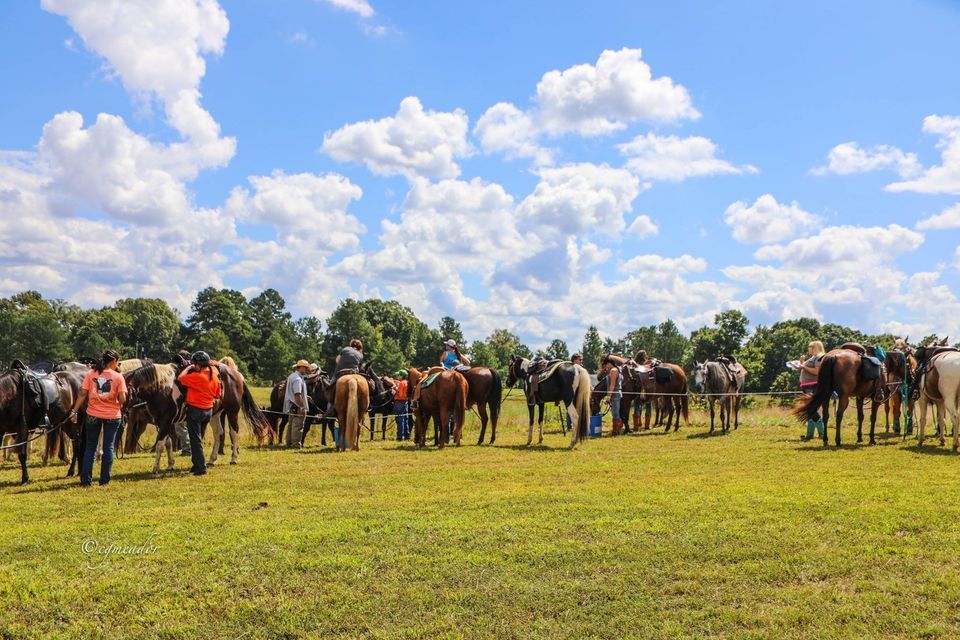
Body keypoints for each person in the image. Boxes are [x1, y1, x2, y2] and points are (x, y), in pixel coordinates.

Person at [71, 349, 127, 486]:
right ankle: (104, 480)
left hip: (93, 415)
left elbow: (83, 394)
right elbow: (122, 400)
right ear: (113, 361)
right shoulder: (118, 377)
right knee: (108, 447)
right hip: (112, 416)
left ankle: (85, 480)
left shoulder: (91, 374)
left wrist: (74, 411)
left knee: (90, 447)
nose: (118, 365)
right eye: (117, 362)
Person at [178, 351, 222, 476]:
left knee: (195, 440)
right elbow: (218, 394)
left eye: (194, 364)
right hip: (208, 411)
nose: (193, 366)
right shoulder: (214, 376)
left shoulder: (197, 376)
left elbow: (180, 379)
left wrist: (187, 368)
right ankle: (196, 464)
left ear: (198, 365)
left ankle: (201, 468)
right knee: (198, 439)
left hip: (195, 410)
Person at [799, 340, 826, 441]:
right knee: (810, 409)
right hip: (807, 385)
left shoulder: (819, 357)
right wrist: (801, 363)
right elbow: (805, 368)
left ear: (815, 347)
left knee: (811, 409)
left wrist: (802, 366)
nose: (808, 348)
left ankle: (822, 433)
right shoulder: (814, 357)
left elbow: (817, 372)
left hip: (812, 385)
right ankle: (810, 435)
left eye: (810, 346)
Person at [284, 360, 310, 448]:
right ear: (301, 367)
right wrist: (302, 407)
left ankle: (288, 443)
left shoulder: (292, 376)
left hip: (292, 405)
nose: (306, 370)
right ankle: (295, 445)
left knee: (291, 425)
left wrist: (306, 397)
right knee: (297, 426)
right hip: (297, 406)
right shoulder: (298, 379)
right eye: (305, 368)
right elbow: (297, 394)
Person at [602, 360, 623, 435]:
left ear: (609, 363)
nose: (606, 367)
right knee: (615, 412)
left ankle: (616, 431)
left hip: (615, 394)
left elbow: (612, 385)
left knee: (615, 413)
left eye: (606, 365)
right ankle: (617, 430)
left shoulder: (613, 371)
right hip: (616, 393)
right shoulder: (617, 370)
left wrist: (608, 396)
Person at [393, 370, 410, 441]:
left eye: (398, 375)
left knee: (399, 420)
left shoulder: (401, 383)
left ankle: (399, 437)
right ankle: (407, 436)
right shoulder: (407, 382)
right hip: (405, 402)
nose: (397, 376)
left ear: (402, 376)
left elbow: (400, 394)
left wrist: (395, 388)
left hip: (399, 402)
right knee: (405, 419)